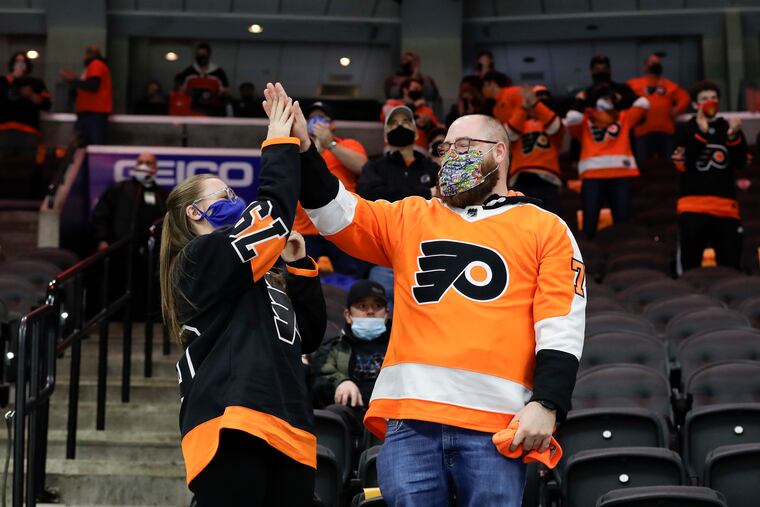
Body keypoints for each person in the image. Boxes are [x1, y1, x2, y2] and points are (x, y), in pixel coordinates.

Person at [297, 112, 585, 505]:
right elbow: (336, 213)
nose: (451, 156)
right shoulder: (412, 215)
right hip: (410, 418)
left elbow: (560, 323)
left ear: (499, 152)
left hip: (496, 422)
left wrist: (548, 403)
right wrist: (306, 151)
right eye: (446, 148)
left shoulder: (546, 227)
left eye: (464, 146)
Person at [160, 83, 326, 506]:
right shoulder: (198, 258)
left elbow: (307, 334)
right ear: (194, 212)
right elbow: (271, 213)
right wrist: (278, 142)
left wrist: (301, 267)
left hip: (289, 423)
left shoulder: (255, 273)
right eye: (226, 194)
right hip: (231, 419)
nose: (236, 200)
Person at [673, 80, 747, 272]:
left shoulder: (728, 128)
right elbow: (683, 164)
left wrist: (733, 138)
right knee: (691, 267)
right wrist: (701, 134)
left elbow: (741, 163)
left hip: (726, 208)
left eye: (713, 98)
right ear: (696, 105)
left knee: (730, 267)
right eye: (704, 99)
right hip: (692, 207)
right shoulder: (685, 129)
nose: (710, 101)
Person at [292, 101, 368, 276]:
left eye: (322, 118)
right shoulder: (295, 149)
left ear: (332, 124)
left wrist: (330, 144)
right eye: (311, 118)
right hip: (305, 230)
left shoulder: (348, 144)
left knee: (350, 278)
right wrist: (311, 151)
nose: (316, 121)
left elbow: (362, 166)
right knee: (298, 280)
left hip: (342, 226)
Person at [565, 84, 650, 238]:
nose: (608, 101)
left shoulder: (623, 117)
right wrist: (581, 100)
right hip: (592, 176)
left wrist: (621, 97)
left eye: (610, 98)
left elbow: (643, 103)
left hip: (620, 175)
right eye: (604, 98)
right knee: (589, 222)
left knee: (623, 222)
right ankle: (588, 256)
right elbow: (571, 119)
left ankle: (622, 254)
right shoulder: (584, 120)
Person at [91, 152, 169, 318]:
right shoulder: (119, 189)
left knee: (150, 288)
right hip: (123, 251)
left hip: (152, 254)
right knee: (121, 287)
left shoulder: (162, 195)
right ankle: (119, 317)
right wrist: (102, 238)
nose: (144, 166)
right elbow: (101, 215)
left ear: (155, 169)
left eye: (149, 163)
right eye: (141, 162)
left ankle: (149, 317)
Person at [313, 280, 391, 434]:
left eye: (377, 306)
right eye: (362, 306)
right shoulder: (333, 348)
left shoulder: (400, 347)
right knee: (333, 414)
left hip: (388, 416)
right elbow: (319, 377)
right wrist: (341, 382)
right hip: (349, 415)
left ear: (386, 314)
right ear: (347, 315)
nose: (370, 312)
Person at [359, 105, 438, 203]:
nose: (400, 126)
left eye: (405, 122)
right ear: (385, 136)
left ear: (416, 133)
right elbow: (369, 195)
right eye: (393, 123)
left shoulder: (432, 168)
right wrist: (427, 193)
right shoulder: (373, 168)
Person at [0, 51, 51, 198]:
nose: (20, 64)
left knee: (27, 166)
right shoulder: (2, 82)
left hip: (29, 131)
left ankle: (25, 196)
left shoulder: (36, 83)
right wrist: (13, 80)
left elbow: (46, 104)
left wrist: (30, 94)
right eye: (17, 61)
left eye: (23, 62)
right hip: (4, 130)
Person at [505, 86, 563, 213]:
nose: (538, 105)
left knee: (550, 222)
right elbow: (508, 134)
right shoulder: (520, 123)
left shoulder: (554, 121)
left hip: (549, 180)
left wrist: (535, 103)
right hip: (521, 179)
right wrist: (524, 107)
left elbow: (555, 127)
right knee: (522, 224)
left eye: (542, 102)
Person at [628, 54, 690, 162]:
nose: (656, 64)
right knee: (643, 164)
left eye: (657, 62)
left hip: (666, 131)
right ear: (645, 66)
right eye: (652, 62)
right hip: (642, 132)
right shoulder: (634, 84)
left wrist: (678, 109)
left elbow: (685, 98)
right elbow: (623, 99)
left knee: (670, 164)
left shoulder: (669, 85)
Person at [60, 45, 112, 146]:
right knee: (83, 146)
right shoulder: (92, 68)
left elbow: (92, 86)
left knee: (90, 146)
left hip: (94, 113)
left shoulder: (96, 64)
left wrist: (74, 81)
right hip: (89, 112)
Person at [381, 77, 441, 151]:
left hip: (419, 150)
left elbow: (437, 130)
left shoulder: (426, 110)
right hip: (394, 148)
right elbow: (390, 117)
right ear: (405, 90)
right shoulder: (392, 104)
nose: (418, 91)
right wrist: (414, 106)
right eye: (415, 88)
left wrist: (429, 123)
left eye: (420, 89)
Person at [174, 43, 229, 117]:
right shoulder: (189, 71)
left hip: (213, 111)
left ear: (208, 55)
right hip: (192, 110)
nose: (201, 57)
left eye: (203, 54)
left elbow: (225, 91)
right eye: (199, 54)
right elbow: (181, 91)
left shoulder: (218, 72)